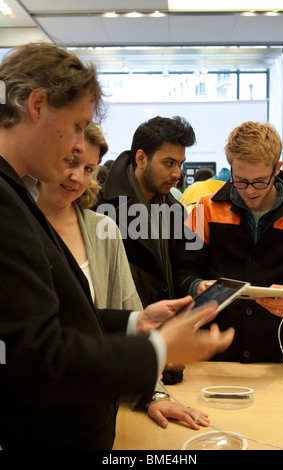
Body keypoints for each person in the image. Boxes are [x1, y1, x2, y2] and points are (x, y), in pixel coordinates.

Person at [0, 42, 234, 450]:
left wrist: (133, 323)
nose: (77, 146)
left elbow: (52, 321)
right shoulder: (8, 199)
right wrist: (159, 348)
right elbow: (37, 359)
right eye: (76, 126)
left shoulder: (19, 194)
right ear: (36, 106)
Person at [37, 121, 209, 429]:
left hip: (101, 405)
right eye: (70, 162)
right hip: (35, 412)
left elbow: (128, 314)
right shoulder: (20, 226)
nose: (78, 177)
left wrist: (154, 393)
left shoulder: (102, 229)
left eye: (90, 168)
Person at [175, 121, 283, 364]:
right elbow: (183, 271)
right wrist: (196, 287)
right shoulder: (204, 208)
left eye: (260, 181)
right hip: (216, 355)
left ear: (277, 168)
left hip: (282, 357)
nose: (250, 190)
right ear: (229, 168)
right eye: (240, 180)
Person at [94, 115, 196, 308]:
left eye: (180, 164)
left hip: (168, 326)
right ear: (141, 158)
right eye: (169, 163)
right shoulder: (101, 209)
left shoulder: (175, 209)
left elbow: (183, 267)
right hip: (126, 329)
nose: (176, 174)